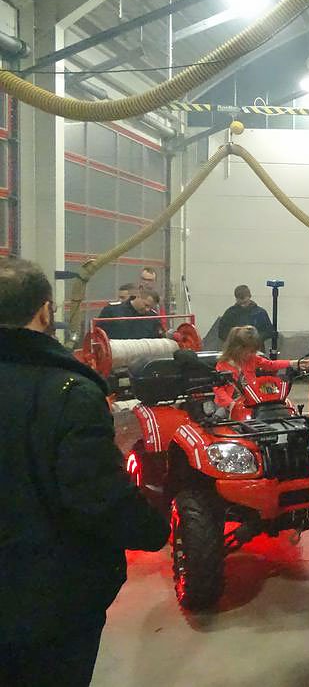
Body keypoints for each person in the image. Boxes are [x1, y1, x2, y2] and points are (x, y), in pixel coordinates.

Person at [0, 258, 169, 686]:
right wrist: (153, 527)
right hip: (47, 602)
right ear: (45, 312)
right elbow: (96, 496)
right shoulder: (68, 393)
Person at [213, 325, 309, 417]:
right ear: (237, 348)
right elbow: (219, 390)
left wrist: (294, 363)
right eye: (250, 351)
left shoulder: (252, 359)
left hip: (251, 401)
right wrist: (231, 404)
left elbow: (270, 365)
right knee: (218, 420)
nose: (252, 354)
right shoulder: (222, 365)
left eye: (253, 351)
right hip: (229, 404)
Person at [95, 288, 162, 340]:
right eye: (146, 305)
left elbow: (157, 340)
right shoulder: (112, 311)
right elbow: (98, 335)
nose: (147, 310)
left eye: (151, 307)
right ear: (138, 296)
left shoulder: (153, 318)